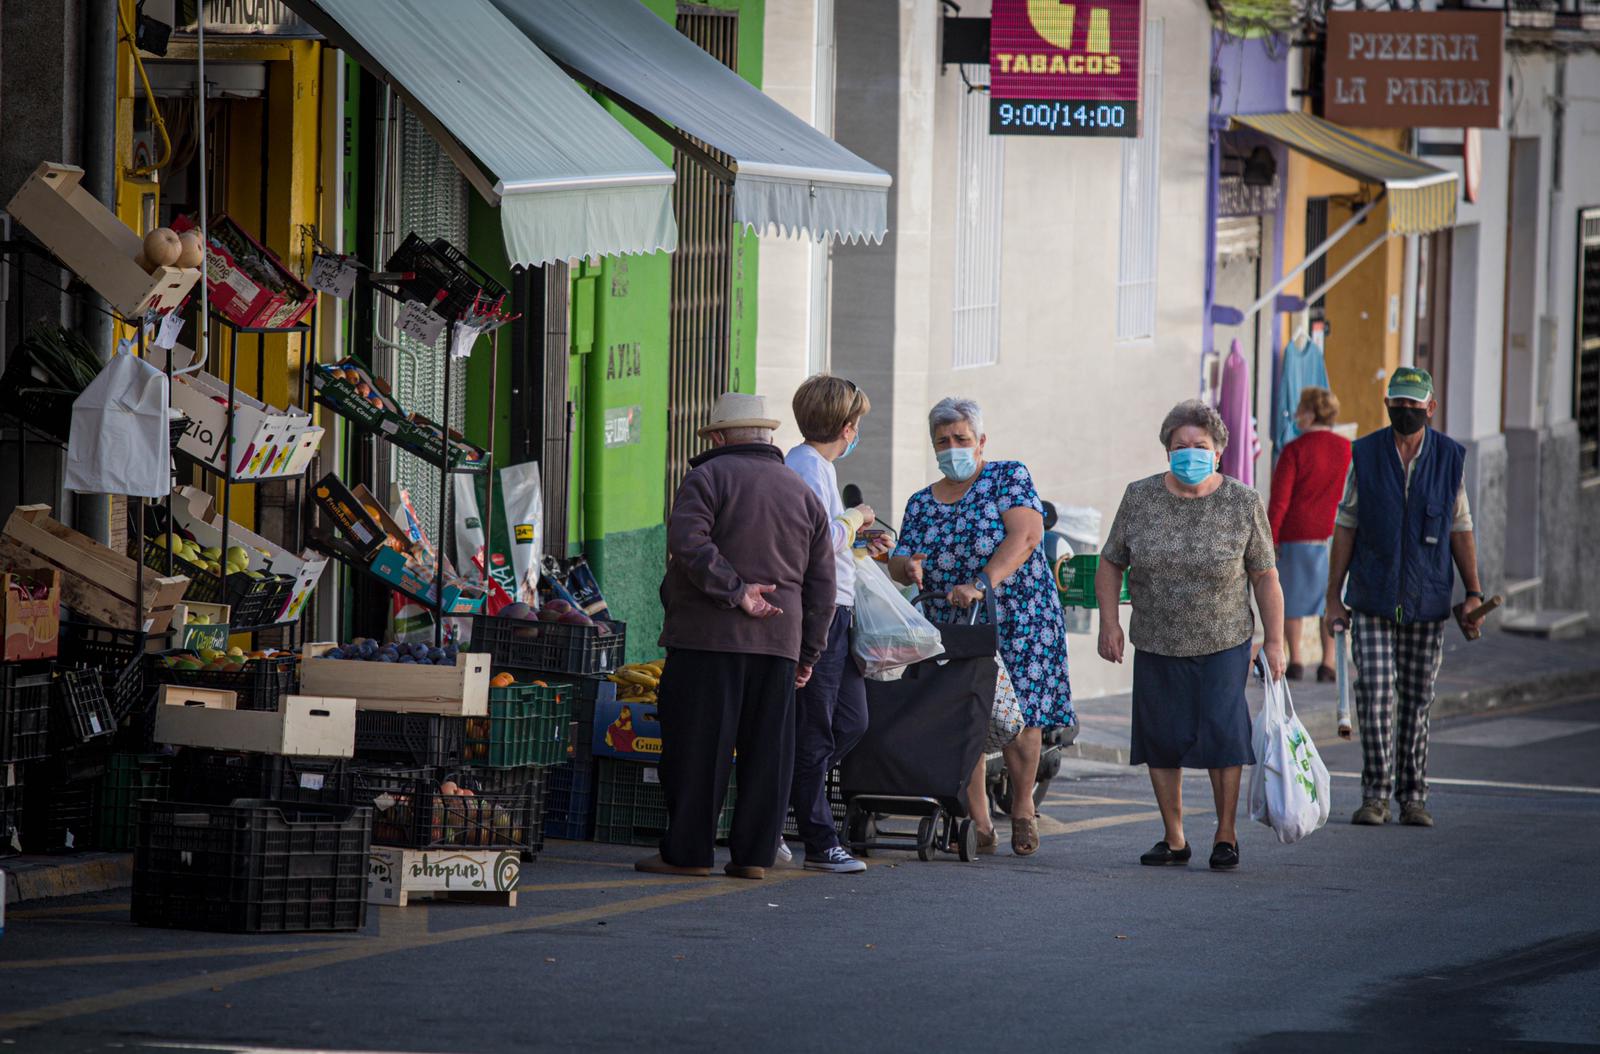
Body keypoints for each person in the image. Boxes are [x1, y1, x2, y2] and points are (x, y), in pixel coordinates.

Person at [638, 393, 836, 880]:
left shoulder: (706, 478)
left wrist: (735, 590)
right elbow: (823, 585)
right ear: (767, 438)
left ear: (720, 438)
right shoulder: (802, 493)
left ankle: (688, 854)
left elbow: (687, 541)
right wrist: (808, 651)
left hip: (707, 642)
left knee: (698, 750)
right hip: (779, 646)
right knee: (768, 754)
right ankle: (753, 858)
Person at [1097, 399, 1285, 872]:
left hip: (1224, 638)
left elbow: (1265, 575)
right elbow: (1110, 561)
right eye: (1180, 446)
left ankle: (1225, 834)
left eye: (1199, 446)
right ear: (1166, 452)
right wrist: (1109, 623)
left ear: (1218, 451)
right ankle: (1174, 837)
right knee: (1161, 736)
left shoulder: (1242, 501)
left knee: (1224, 732)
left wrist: (1276, 640)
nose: (1189, 453)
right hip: (1156, 637)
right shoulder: (1139, 497)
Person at [887, 397, 1073, 857]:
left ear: (981, 441)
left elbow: (1026, 536)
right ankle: (980, 823)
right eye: (942, 441)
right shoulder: (921, 501)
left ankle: (1024, 807)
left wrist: (980, 583)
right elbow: (899, 558)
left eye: (961, 439)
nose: (952, 448)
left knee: (1021, 716)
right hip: (953, 621)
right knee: (962, 715)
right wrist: (904, 566)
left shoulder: (1007, 477)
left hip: (1019, 613)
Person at [1325, 367, 1486, 829]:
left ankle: (1412, 795)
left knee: (1416, 702)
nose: (1406, 412)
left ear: (1430, 408)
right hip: (1373, 596)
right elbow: (1346, 525)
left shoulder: (1450, 459)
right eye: (1398, 404)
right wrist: (1333, 598)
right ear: (1388, 405)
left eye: (1415, 406)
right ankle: (1374, 794)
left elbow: (1461, 529)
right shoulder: (1366, 455)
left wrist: (1473, 593)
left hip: (1428, 598)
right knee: (1374, 695)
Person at [782, 374, 887, 875]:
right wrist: (859, 517)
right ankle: (819, 841)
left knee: (850, 721)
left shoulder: (816, 466)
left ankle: (779, 810)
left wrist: (862, 542)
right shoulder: (804, 466)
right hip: (820, 612)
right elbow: (818, 542)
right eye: (858, 424)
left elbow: (829, 542)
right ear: (846, 426)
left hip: (837, 609)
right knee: (817, 730)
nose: (857, 432)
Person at [1268, 386, 1353, 682]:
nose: (1297, 416)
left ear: (1312, 413)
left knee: (1291, 599)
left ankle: (1297, 659)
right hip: (1335, 536)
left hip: (1297, 534)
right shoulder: (1346, 449)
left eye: (1301, 410)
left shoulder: (1294, 450)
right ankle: (1328, 663)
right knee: (1331, 600)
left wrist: (1271, 536)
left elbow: (1280, 499)